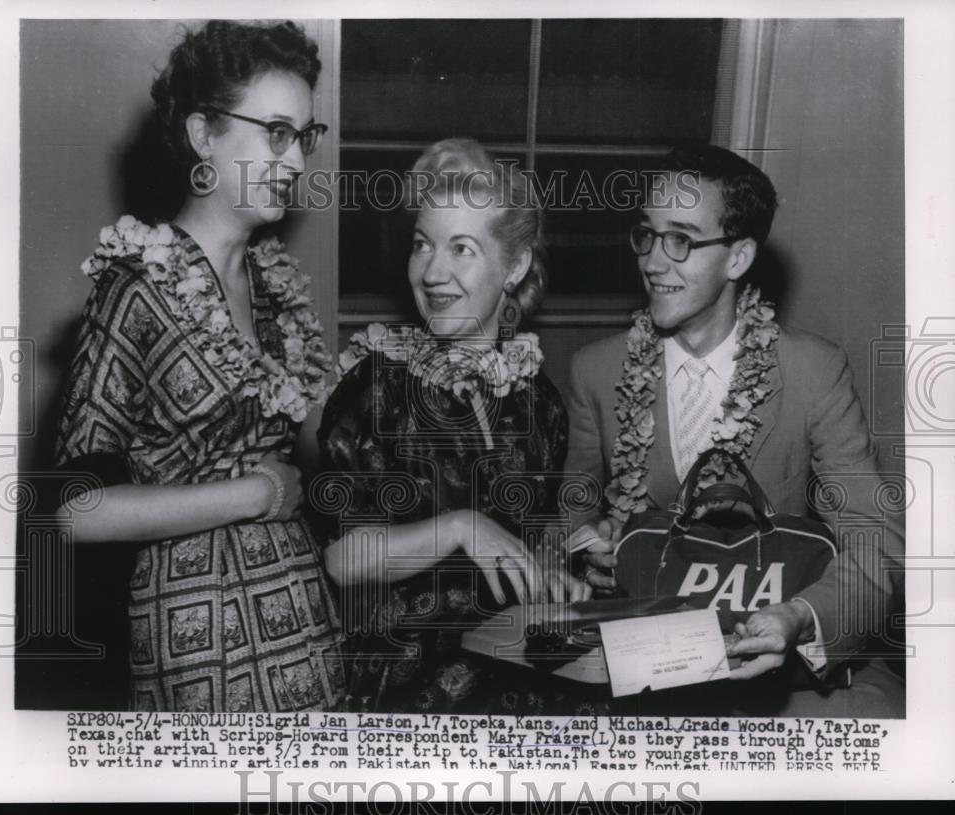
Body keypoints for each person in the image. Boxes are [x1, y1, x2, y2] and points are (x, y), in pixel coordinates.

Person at [54, 20, 344, 712]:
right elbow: (73, 511)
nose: (297, 161)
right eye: (275, 131)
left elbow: (319, 452)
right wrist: (250, 494)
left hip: (306, 626)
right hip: (197, 643)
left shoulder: (276, 287)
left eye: (303, 136)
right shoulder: (136, 287)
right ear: (203, 136)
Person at [565, 144, 904, 717]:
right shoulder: (595, 370)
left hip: (780, 663)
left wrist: (799, 617)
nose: (652, 261)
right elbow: (570, 505)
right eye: (646, 234)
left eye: (681, 239)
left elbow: (876, 537)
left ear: (739, 257)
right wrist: (584, 549)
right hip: (642, 661)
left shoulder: (814, 372)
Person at [316, 138, 588, 714]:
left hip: (519, 676)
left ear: (514, 266)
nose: (433, 272)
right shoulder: (375, 390)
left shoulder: (539, 401)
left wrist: (556, 575)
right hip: (409, 687)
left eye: (461, 249)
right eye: (422, 245)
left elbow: (530, 542)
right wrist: (460, 527)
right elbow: (343, 561)